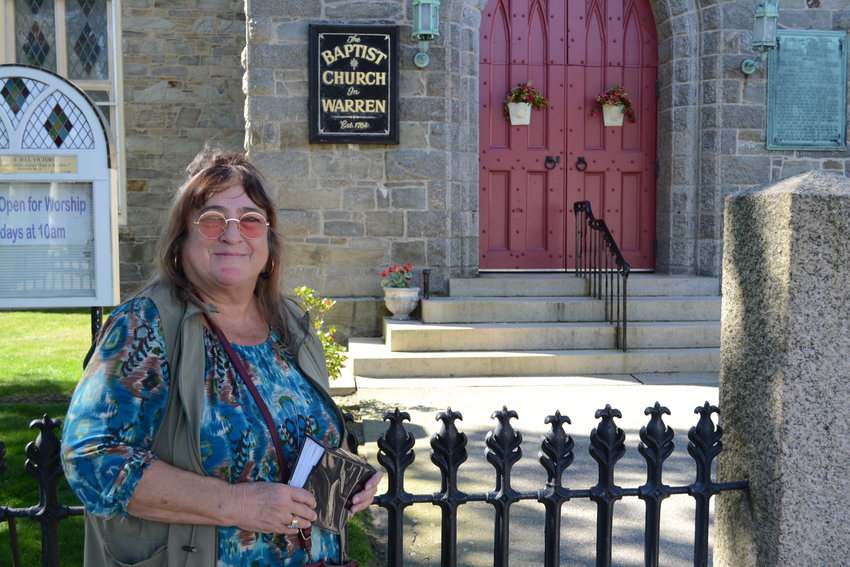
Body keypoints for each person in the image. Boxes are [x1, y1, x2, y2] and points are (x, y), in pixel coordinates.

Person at [61, 148, 380, 566]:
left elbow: (304, 433)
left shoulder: (290, 323)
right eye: (212, 220)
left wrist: (350, 474)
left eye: (250, 220)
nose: (233, 234)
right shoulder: (146, 323)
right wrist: (235, 503)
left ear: (268, 240)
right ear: (182, 239)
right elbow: (90, 458)